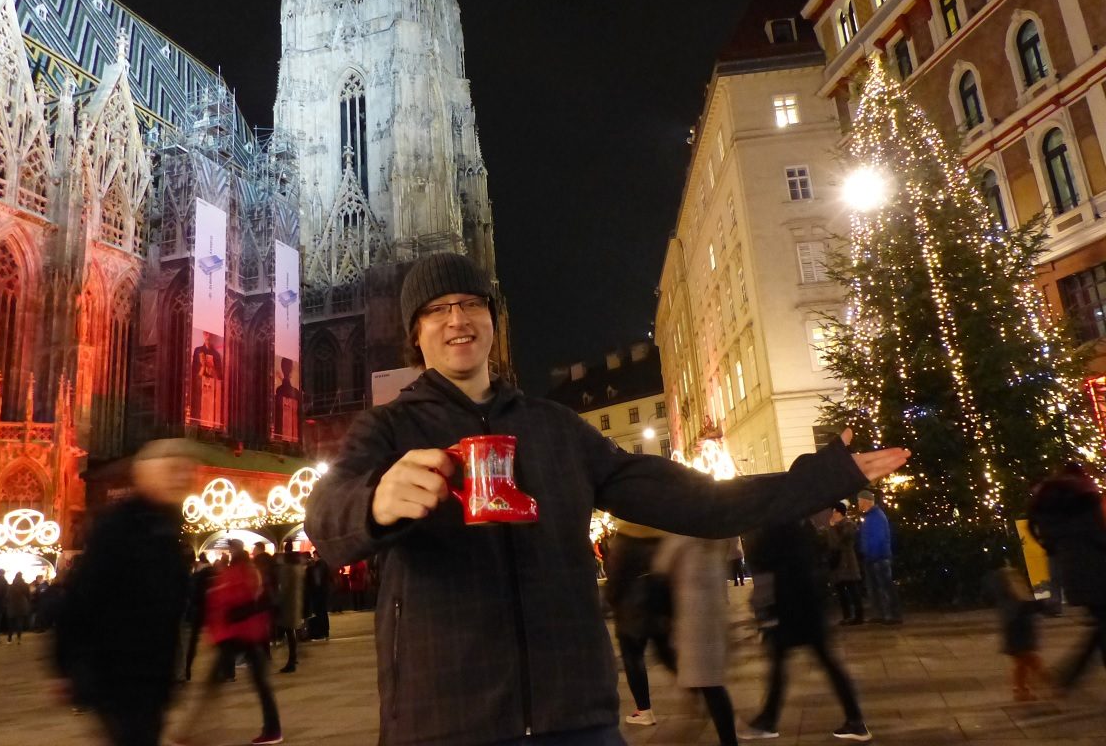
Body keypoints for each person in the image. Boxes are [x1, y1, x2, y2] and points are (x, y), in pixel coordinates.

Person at [304, 252, 909, 746]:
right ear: (415, 332)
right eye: (436, 310)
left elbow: (698, 502)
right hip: (443, 715)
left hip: (574, 711)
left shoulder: (555, 427)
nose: (456, 319)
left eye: (469, 304)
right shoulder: (388, 429)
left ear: (492, 319)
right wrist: (375, 500)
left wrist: (823, 477)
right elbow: (326, 512)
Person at [54, 438, 196, 746]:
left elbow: (169, 606)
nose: (184, 479)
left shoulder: (167, 527)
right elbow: (81, 597)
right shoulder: (120, 527)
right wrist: (65, 665)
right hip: (117, 671)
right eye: (175, 472)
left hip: (150, 673)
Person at [740, 517, 871, 742]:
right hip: (808, 605)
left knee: (782, 666)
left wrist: (766, 610)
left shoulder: (774, 528)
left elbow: (766, 565)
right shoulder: (801, 527)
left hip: (789, 607)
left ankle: (768, 720)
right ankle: (855, 719)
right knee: (823, 663)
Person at [177, 539, 283, 746]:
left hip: (236, 634)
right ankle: (272, 729)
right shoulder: (248, 571)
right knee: (259, 685)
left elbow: (227, 604)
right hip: (248, 633)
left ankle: (191, 732)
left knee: (212, 686)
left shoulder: (238, 573)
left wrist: (218, 630)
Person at [1027, 462, 1106, 690]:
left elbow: (1037, 531)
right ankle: (1064, 679)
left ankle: (1065, 680)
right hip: (1099, 570)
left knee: (1100, 627)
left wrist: (1051, 547)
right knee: (1102, 627)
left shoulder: (1048, 502)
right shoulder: (1084, 499)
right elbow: (1097, 536)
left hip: (1074, 573)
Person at [654, 535, 737, 746]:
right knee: (708, 683)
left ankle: (727, 740)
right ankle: (709, 728)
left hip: (694, 622)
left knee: (710, 686)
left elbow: (661, 568)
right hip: (710, 618)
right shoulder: (713, 538)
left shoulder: (682, 536)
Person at [602, 518, 674, 727]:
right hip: (658, 607)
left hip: (632, 611)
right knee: (667, 654)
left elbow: (616, 578)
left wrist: (611, 600)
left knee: (634, 659)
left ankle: (644, 710)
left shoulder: (624, 543)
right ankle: (698, 690)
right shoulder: (660, 540)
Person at [990, 565, 1045, 701]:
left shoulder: (1016, 599)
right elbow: (1021, 610)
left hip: (1021, 638)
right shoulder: (1012, 602)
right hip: (1018, 639)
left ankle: (1022, 687)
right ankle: (1025, 687)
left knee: (1024, 664)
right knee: (1028, 663)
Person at [857, 490, 901, 625]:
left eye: (859, 501)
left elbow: (878, 538)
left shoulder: (875, 517)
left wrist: (871, 554)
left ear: (866, 501)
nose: (858, 504)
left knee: (884, 586)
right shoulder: (871, 516)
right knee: (876, 587)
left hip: (878, 557)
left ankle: (892, 615)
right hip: (873, 557)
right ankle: (882, 614)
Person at [826, 502, 863, 626]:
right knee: (841, 590)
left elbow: (838, 543)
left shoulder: (848, 525)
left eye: (834, 512)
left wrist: (832, 528)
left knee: (852, 589)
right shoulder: (838, 525)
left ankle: (858, 616)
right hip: (838, 563)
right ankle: (847, 615)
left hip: (847, 562)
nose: (832, 515)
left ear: (839, 512)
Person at [185, 553, 215, 682]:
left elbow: (193, 595)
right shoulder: (208, 573)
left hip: (197, 611)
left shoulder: (196, 576)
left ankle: (187, 669)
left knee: (191, 642)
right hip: (209, 611)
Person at [274, 550, 304, 673]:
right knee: (291, 631)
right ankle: (293, 658)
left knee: (289, 631)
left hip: (287, 604)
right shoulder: (299, 568)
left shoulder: (287, 569)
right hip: (295, 603)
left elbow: (284, 588)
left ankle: (292, 661)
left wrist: (277, 600)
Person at [5, 572, 31, 643]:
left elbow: (7, 596)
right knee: (20, 622)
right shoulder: (25, 585)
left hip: (12, 605)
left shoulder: (11, 586)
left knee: (11, 623)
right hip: (22, 605)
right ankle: (19, 638)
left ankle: (9, 639)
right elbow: (28, 596)